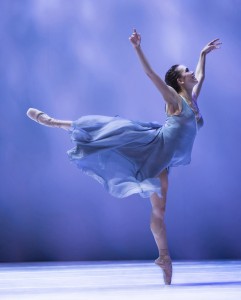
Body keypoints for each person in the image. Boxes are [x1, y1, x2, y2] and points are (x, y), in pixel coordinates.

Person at [26, 29, 221, 285]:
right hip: (153, 149)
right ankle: (54, 122)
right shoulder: (174, 99)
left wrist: (202, 54)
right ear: (178, 80)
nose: (192, 73)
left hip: (164, 159)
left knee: (160, 210)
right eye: (187, 71)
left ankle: (163, 258)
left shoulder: (193, 100)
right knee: (105, 134)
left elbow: (202, 74)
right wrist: (137, 48)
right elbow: (151, 75)